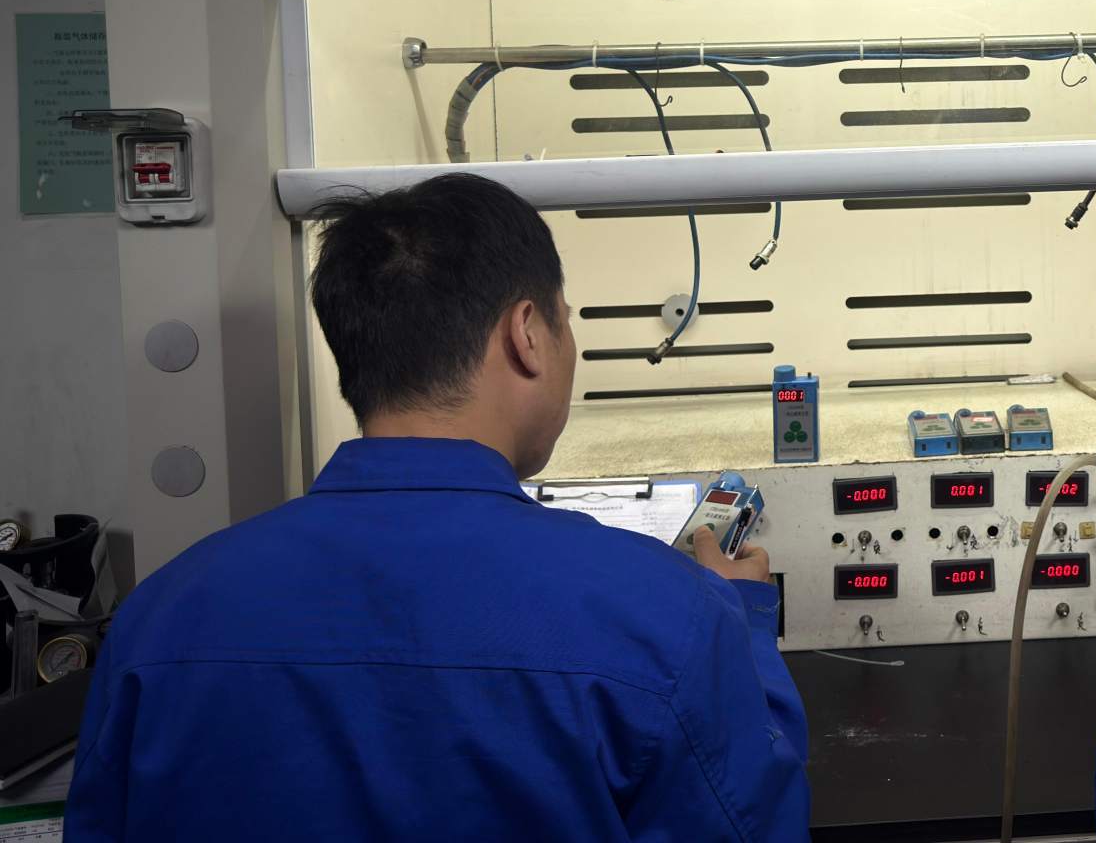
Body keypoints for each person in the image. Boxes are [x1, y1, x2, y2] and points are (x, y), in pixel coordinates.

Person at [66, 173, 810, 842]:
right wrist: (740, 619)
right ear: (527, 334)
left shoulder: (158, 619)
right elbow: (751, 818)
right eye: (565, 321)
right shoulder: (668, 617)